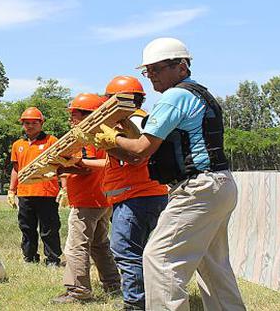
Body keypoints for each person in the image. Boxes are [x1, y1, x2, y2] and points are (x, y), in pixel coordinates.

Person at [94, 38, 246, 310]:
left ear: (182, 66)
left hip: (197, 189)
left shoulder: (174, 97)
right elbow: (143, 146)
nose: (151, 76)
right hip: (220, 185)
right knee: (213, 265)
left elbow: (140, 150)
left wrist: (109, 139)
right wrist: (120, 137)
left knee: (158, 259)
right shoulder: (201, 94)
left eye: (157, 69)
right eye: (147, 71)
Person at [101, 76, 168, 311]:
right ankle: (149, 301)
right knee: (144, 253)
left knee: (126, 251)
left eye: (108, 101)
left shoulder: (136, 123)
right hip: (140, 196)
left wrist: (108, 144)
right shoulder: (131, 123)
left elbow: (138, 157)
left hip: (137, 197)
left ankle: (135, 304)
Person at [52, 93, 121, 303]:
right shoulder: (105, 133)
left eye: (74, 114)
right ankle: (113, 284)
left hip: (87, 200)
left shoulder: (86, 137)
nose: (71, 119)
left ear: (86, 115)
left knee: (76, 246)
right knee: (100, 244)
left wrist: (62, 165)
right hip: (103, 198)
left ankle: (78, 290)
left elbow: (85, 167)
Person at [8, 107, 62, 266]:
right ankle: (29, 257)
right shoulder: (18, 144)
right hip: (25, 193)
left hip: (47, 193)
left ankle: (52, 259)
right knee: (26, 227)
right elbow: (16, 169)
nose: (30, 126)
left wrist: (64, 188)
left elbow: (61, 166)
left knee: (49, 228)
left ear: (41, 123)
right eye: (26, 123)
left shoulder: (52, 141)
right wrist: (12, 190)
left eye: (34, 123)